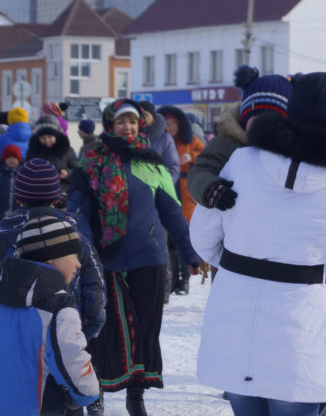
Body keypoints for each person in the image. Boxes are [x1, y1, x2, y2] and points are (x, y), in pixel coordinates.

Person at [190, 72, 326, 416]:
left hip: (234, 320)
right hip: (301, 332)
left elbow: (202, 237)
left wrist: (240, 266)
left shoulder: (242, 162)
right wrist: (313, 277)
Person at [67, 99, 203, 416]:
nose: (126, 127)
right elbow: (79, 213)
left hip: (149, 257)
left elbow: (171, 212)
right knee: (102, 330)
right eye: (120, 122)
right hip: (104, 259)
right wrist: (86, 253)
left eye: (131, 121)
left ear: (139, 125)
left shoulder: (152, 163)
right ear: (109, 125)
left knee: (144, 330)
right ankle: (94, 392)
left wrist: (189, 251)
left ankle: (136, 395)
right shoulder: (90, 164)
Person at [0, 211, 100, 415]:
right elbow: (72, 360)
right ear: (51, 259)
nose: (78, 264)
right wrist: (88, 393)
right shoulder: (58, 309)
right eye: (74, 254)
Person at [188, 66, 293, 213]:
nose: (263, 126)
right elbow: (200, 170)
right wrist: (210, 188)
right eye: (257, 119)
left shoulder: (291, 150)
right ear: (244, 118)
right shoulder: (227, 143)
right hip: (233, 218)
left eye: (272, 120)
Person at [158, 105, 206, 296]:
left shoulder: (191, 140)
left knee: (183, 235)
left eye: (172, 123)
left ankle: (184, 280)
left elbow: (205, 154)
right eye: (167, 123)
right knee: (169, 240)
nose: (170, 127)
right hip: (168, 187)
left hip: (184, 191)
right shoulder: (161, 141)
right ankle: (173, 280)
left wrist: (191, 156)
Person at [27, 115, 77, 192]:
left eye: (50, 137)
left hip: (62, 193)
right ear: (38, 138)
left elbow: (77, 171)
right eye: (43, 138)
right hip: (39, 193)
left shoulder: (66, 150)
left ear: (56, 136)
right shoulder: (33, 151)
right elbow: (26, 170)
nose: (47, 140)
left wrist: (68, 174)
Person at [138, 101, 180, 183]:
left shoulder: (164, 138)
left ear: (153, 117)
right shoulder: (133, 138)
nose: (142, 118)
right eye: (139, 115)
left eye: (145, 114)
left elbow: (173, 168)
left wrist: (162, 187)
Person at [0, 144, 21, 217]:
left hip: (18, 213)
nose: (11, 160)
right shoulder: (1, 174)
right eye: (8, 157)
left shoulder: (23, 174)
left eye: (14, 157)